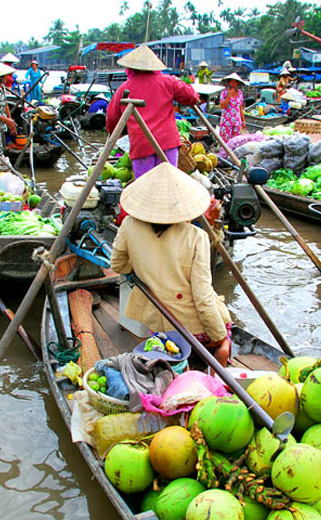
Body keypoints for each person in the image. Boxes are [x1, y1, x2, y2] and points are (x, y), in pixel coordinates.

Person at [110, 163, 232, 366]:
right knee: (224, 332)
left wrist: (141, 266)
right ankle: (220, 356)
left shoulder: (129, 225)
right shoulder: (196, 236)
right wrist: (220, 338)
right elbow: (202, 297)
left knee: (171, 334)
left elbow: (117, 264)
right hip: (193, 329)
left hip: (159, 324)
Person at [106, 45, 198, 178]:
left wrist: (111, 132)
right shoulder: (168, 82)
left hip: (141, 144)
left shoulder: (124, 88)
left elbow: (112, 119)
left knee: (145, 188)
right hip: (167, 143)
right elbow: (192, 97)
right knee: (168, 185)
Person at [218, 72, 246, 143]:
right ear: (229, 82)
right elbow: (222, 105)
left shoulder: (240, 94)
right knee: (225, 143)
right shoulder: (224, 92)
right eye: (232, 82)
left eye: (235, 82)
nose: (233, 84)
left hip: (236, 122)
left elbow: (240, 108)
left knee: (236, 142)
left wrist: (243, 121)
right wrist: (229, 95)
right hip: (226, 122)